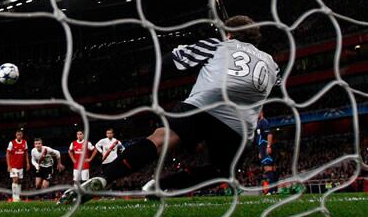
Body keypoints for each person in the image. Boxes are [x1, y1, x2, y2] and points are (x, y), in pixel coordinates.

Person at [58, 15, 280, 204]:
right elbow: (276, 86)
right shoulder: (272, 64)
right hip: (239, 126)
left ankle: (106, 178)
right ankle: (159, 186)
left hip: (201, 105)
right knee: (221, 171)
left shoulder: (216, 45)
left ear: (229, 34)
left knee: (160, 139)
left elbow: (170, 62)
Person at [256, 111, 277, 195]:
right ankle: (274, 190)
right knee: (270, 169)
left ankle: (271, 191)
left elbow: (269, 134)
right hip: (262, 147)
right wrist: (260, 151)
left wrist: (268, 146)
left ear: (261, 112)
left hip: (265, 146)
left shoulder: (264, 121)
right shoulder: (258, 123)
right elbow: (259, 137)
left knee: (268, 169)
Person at [6, 130, 30, 202]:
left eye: (20, 134)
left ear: (22, 135)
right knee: (15, 179)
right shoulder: (12, 143)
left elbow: (26, 153)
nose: (19, 136)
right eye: (17, 134)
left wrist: (28, 163)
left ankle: (18, 196)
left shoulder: (24, 142)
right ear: (16, 135)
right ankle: (15, 198)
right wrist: (8, 165)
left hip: (21, 166)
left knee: (19, 181)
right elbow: (7, 154)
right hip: (13, 166)